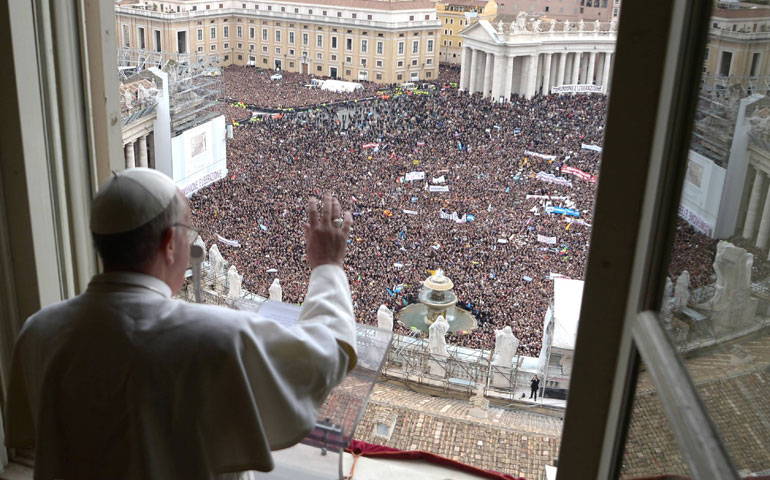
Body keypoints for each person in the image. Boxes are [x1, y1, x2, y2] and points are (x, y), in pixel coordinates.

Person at [6, 168, 357, 480]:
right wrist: (327, 265)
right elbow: (326, 354)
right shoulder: (218, 337)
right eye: (188, 232)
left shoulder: (38, 332)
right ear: (170, 243)